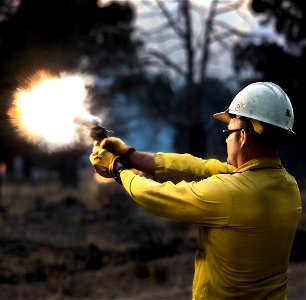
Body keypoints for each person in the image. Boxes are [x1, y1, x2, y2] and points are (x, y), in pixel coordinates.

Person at [90, 82, 302, 299]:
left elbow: (157, 196)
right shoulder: (289, 187)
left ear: (243, 136)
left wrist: (119, 171)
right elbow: (199, 167)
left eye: (227, 131)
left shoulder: (229, 193)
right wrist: (129, 156)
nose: (227, 138)